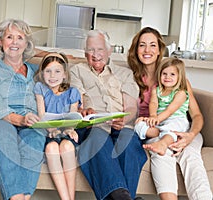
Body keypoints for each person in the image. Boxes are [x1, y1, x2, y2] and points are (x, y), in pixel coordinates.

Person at [128, 26, 212, 200]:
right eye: (142, 45)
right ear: (136, 50)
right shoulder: (130, 79)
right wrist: (155, 128)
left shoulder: (177, 79)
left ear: (160, 50)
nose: (147, 50)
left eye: (152, 45)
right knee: (162, 155)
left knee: (190, 156)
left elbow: (196, 115)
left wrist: (190, 135)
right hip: (156, 129)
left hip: (183, 128)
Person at [70, 29, 147, 200]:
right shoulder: (77, 70)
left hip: (120, 126)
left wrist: (124, 119)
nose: (95, 55)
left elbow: (131, 108)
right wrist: (84, 111)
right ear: (85, 53)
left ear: (109, 50)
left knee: (129, 140)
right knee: (97, 137)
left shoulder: (125, 74)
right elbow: (77, 102)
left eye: (100, 49)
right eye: (90, 50)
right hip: (94, 126)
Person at [0, 18, 46, 200]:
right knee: (4, 139)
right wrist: (20, 119)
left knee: (35, 140)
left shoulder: (37, 72)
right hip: (1, 118)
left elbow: (56, 93)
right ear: (0, 42)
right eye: (9, 37)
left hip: (32, 119)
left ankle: (23, 197)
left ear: (27, 43)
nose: (15, 42)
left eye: (20, 37)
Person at [34, 52, 81, 200]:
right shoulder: (40, 88)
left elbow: (72, 117)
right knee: (51, 148)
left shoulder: (73, 92)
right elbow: (42, 114)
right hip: (48, 132)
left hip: (66, 132)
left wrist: (69, 130)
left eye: (57, 71)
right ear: (42, 73)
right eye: (48, 71)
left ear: (65, 75)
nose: (52, 76)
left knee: (67, 147)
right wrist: (52, 130)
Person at [135, 58, 190, 156]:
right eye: (164, 73)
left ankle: (163, 144)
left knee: (172, 129)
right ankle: (161, 133)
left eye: (172, 74)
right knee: (138, 124)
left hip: (176, 120)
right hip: (160, 122)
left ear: (179, 77)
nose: (167, 77)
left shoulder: (181, 93)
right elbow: (153, 104)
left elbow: (170, 111)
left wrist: (157, 119)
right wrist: (152, 116)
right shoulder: (156, 90)